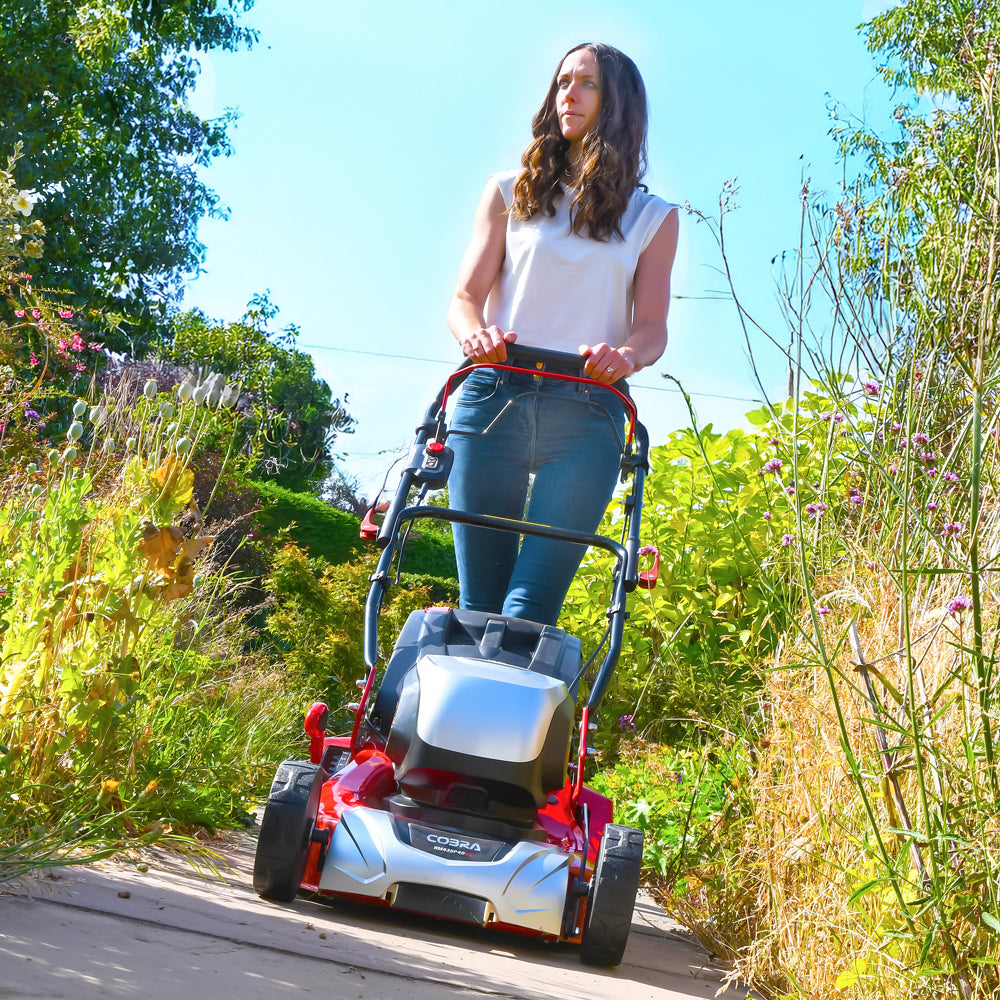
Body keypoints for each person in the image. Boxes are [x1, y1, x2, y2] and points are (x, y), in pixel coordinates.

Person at [445, 42, 679, 627]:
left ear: (617, 103)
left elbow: (651, 330)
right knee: (479, 606)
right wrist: (476, 337)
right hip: (495, 393)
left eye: (586, 84)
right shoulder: (509, 193)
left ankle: (514, 714)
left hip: (586, 411)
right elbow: (465, 300)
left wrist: (623, 356)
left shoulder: (653, 218)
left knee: (529, 608)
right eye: (561, 82)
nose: (566, 94)